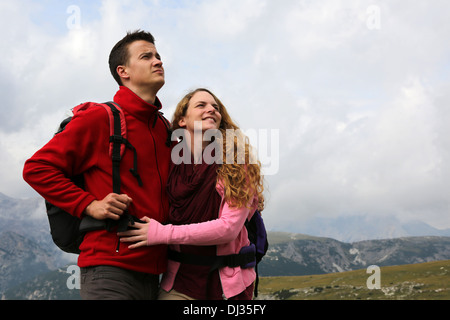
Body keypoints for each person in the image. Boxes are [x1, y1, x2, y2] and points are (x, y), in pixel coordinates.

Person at [22, 30, 172, 300]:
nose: (158, 61)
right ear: (123, 71)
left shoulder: (164, 129)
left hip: (157, 273)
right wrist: (89, 204)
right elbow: (37, 168)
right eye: (146, 56)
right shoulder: (100, 118)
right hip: (109, 269)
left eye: (158, 56)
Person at [118, 88, 265, 300]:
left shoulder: (236, 163)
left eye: (215, 107)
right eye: (201, 105)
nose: (211, 110)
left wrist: (161, 233)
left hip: (228, 284)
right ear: (182, 121)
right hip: (180, 282)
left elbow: (228, 229)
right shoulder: (169, 163)